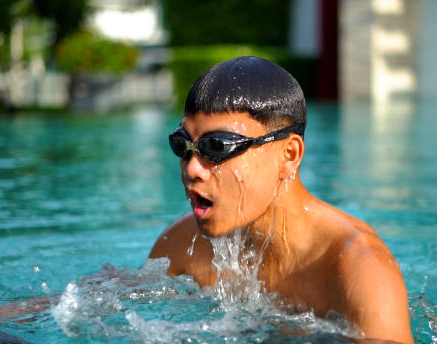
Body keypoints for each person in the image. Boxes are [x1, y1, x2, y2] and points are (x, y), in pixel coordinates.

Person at [148, 56, 413, 344]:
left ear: (288, 156)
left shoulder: (360, 270)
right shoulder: (181, 245)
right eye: (183, 146)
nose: (191, 168)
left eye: (217, 147)